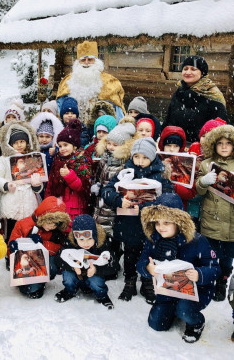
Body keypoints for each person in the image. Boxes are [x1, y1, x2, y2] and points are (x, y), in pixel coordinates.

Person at [137, 193, 220, 344]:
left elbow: (214, 269)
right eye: (157, 222)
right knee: (156, 324)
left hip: (195, 292)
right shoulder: (153, 239)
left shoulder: (197, 241)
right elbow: (142, 261)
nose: (160, 227)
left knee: (184, 309)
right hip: (167, 290)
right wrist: (147, 268)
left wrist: (199, 274)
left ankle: (196, 322)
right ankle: (173, 310)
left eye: (167, 222)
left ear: (178, 222)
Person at [102, 137, 174, 302]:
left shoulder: (160, 176)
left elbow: (169, 199)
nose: (140, 161)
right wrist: (119, 200)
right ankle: (130, 281)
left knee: (149, 254)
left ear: (152, 158)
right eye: (136, 157)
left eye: (145, 157)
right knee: (130, 254)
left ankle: (147, 282)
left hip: (151, 226)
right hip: (129, 224)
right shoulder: (125, 173)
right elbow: (107, 190)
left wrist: (146, 207)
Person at [196, 124, 234, 301]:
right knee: (211, 253)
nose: (223, 146)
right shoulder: (207, 164)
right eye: (220, 142)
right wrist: (203, 182)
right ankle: (209, 279)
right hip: (212, 217)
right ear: (213, 144)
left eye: (228, 143)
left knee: (227, 255)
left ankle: (222, 281)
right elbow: (199, 191)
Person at [90, 121, 136, 278]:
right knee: (102, 233)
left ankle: (112, 264)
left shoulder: (125, 163)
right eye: (108, 143)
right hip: (101, 203)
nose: (110, 147)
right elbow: (98, 175)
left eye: (114, 145)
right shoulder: (104, 158)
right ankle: (106, 263)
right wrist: (96, 185)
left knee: (113, 235)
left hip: (115, 204)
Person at [7, 196, 71, 299]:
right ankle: (32, 283)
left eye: (55, 224)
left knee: (51, 269)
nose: (52, 227)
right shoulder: (22, 224)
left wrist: (42, 244)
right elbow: (10, 249)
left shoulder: (56, 231)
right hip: (24, 263)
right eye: (50, 222)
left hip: (42, 263)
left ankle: (40, 281)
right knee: (27, 290)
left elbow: (59, 248)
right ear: (43, 217)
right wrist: (13, 248)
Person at [0, 120, 43, 248]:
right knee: (11, 229)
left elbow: (37, 180)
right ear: (10, 144)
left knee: (26, 228)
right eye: (15, 142)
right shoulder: (4, 159)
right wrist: (6, 185)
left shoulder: (32, 158)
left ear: (27, 142)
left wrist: (36, 184)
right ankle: (10, 252)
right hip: (12, 198)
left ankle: (24, 252)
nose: (19, 145)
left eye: (22, 141)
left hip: (28, 199)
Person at [54, 215, 117, 308]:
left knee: (96, 282)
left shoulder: (102, 243)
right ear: (76, 238)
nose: (85, 243)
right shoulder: (70, 242)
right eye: (81, 240)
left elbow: (113, 265)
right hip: (77, 275)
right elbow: (58, 259)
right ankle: (70, 291)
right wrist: (73, 266)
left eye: (89, 239)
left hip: (92, 275)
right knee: (68, 276)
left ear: (95, 236)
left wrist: (96, 269)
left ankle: (102, 295)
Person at [162, 55, 228, 143]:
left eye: (193, 69)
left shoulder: (211, 94)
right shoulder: (179, 91)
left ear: (202, 73)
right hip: (176, 145)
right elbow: (169, 120)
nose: (188, 72)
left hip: (201, 149)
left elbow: (220, 128)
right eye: (185, 69)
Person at [56, 41, 126, 121]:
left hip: (100, 130)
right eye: (83, 60)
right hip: (72, 129)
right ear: (78, 62)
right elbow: (59, 109)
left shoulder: (109, 82)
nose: (86, 63)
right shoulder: (67, 82)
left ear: (96, 61)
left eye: (90, 59)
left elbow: (117, 113)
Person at [46, 119, 92, 221]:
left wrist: (69, 175)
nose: (62, 149)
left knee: (72, 229)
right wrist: (48, 201)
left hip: (75, 205)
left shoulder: (81, 159)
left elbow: (83, 187)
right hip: (59, 203)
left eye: (65, 145)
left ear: (74, 146)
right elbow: (50, 183)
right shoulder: (57, 159)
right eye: (60, 146)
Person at [158, 126, 196, 210]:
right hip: (157, 207)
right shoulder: (155, 160)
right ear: (163, 145)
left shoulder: (186, 163)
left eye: (175, 146)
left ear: (180, 147)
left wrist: (173, 186)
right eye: (168, 145)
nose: (171, 149)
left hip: (178, 209)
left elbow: (190, 193)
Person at [0, 99, 25, 166]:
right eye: (8, 117)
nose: (11, 119)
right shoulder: (0, 133)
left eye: (14, 117)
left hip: (20, 165)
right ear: (5, 119)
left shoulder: (24, 132)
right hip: (3, 166)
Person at [30, 111, 64, 176]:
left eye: (47, 136)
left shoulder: (54, 149)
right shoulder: (34, 150)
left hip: (50, 179)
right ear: (37, 137)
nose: (44, 139)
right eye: (41, 136)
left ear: (52, 137)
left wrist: (55, 152)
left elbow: (61, 157)